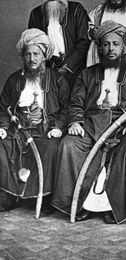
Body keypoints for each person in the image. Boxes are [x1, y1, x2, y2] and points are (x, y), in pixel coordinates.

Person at [52, 21, 126, 224]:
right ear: (99, 48)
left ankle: (114, 206)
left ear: (124, 47)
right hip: (90, 128)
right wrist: (75, 122)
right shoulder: (87, 74)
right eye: (106, 44)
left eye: (116, 44)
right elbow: (76, 103)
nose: (111, 49)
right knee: (68, 145)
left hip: (124, 130)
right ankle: (79, 204)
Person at [0, 28, 70, 212]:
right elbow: (3, 106)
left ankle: (43, 197)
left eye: (36, 54)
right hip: (18, 131)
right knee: (2, 147)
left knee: (51, 148)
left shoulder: (57, 79)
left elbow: (66, 108)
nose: (32, 59)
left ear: (44, 56)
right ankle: (8, 195)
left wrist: (58, 127)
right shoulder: (14, 80)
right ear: (23, 56)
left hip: (45, 130)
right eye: (28, 54)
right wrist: (3, 126)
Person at [28, 0, 90, 88]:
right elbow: (33, 44)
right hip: (46, 70)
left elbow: (84, 42)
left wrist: (67, 67)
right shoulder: (36, 14)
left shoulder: (76, 9)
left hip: (74, 69)